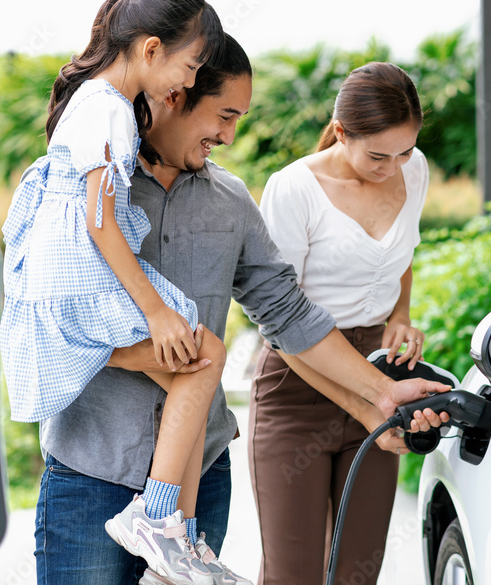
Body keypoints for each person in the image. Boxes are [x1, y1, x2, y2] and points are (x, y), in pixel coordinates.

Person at [32, 34, 450, 585]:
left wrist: (379, 398)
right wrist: (132, 349)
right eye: (224, 116)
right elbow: (48, 313)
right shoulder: (89, 189)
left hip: (200, 478)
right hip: (91, 474)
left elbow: (286, 311)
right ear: (176, 96)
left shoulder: (232, 201)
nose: (230, 135)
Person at [0, 0, 248, 585]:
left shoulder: (94, 103)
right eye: (189, 68)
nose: (186, 85)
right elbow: (102, 222)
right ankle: (161, 521)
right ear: (152, 48)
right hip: (81, 281)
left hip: (65, 281)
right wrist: (157, 313)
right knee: (205, 353)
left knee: (188, 371)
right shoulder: (108, 107)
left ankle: (174, 532)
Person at [251, 62, 432, 585]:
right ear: (341, 130)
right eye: (378, 155)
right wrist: (369, 401)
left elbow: (402, 253)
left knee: (359, 570)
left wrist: (400, 315)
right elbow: (281, 319)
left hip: (379, 373)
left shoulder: (413, 170)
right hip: (299, 381)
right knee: (294, 574)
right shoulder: (295, 189)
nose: (393, 167)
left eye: (404, 152)